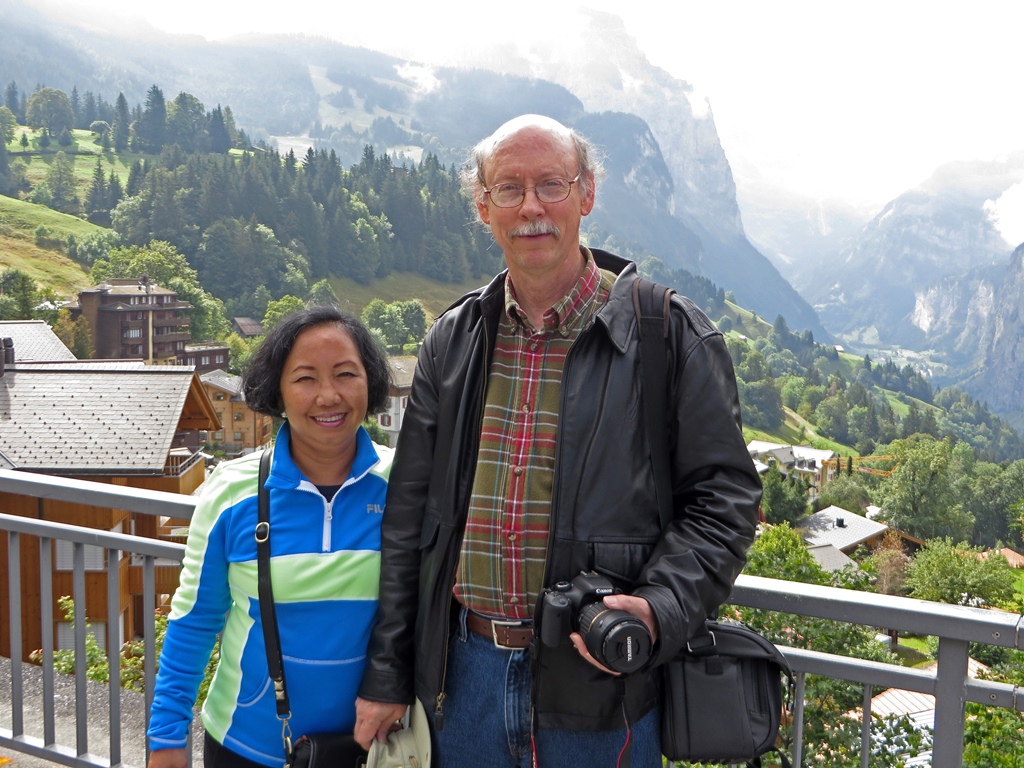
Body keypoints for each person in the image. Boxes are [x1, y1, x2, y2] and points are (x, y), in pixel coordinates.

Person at [354, 114, 762, 768]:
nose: (533, 207)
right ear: (483, 207)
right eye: (510, 189)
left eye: (552, 184)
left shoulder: (667, 333)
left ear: (587, 195)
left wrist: (658, 607)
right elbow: (408, 522)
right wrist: (388, 674)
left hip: (602, 686)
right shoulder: (453, 340)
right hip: (462, 682)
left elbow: (726, 502)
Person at [147, 306, 394, 768]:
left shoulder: (404, 486)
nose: (328, 396)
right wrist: (165, 739)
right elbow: (195, 621)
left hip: (377, 749)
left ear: (370, 383)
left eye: (345, 374)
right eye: (305, 378)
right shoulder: (231, 492)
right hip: (247, 745)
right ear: (276, 391)